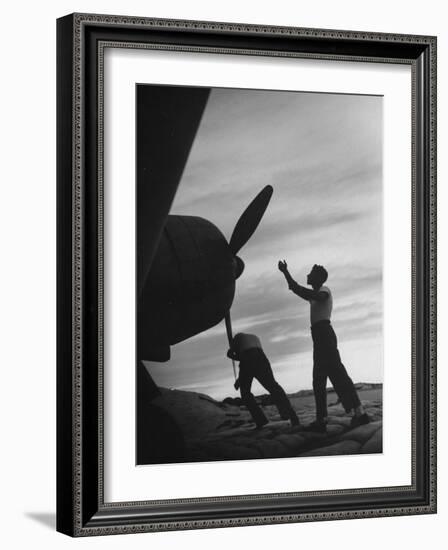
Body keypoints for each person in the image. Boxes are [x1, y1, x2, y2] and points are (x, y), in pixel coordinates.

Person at [278, 261, 370, 432]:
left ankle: (360, 413)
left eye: (311, 272)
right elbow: (294, 287)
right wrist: (285, 271)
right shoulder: (314, 295)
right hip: (319, 337)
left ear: (318, 278)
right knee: (318, 380)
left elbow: (320, 297)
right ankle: (322, 419)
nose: (308, 275)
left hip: (325, 335)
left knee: (339, 374)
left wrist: (304, 290)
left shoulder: (324, 290)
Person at [227, 332, 300, 429]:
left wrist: (230, 355)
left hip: (248, 358)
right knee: (273, 387)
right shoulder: (253, 337)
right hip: (262, 357)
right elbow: (248, 359)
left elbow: (244, 359)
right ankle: (291, 415)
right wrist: (239, 380)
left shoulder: (236, 339)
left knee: (245, 393)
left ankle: (260, 420)